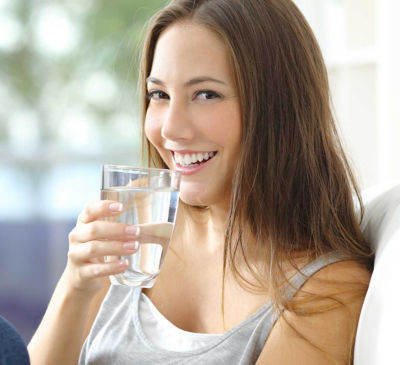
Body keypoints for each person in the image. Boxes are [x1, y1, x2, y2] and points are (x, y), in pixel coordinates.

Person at [27, 0, 373, 363]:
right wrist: (76, 286)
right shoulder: (137, 219)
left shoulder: (325, 291)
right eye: (159, 95)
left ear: (278, 108)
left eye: (206, 94)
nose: (170, 128)